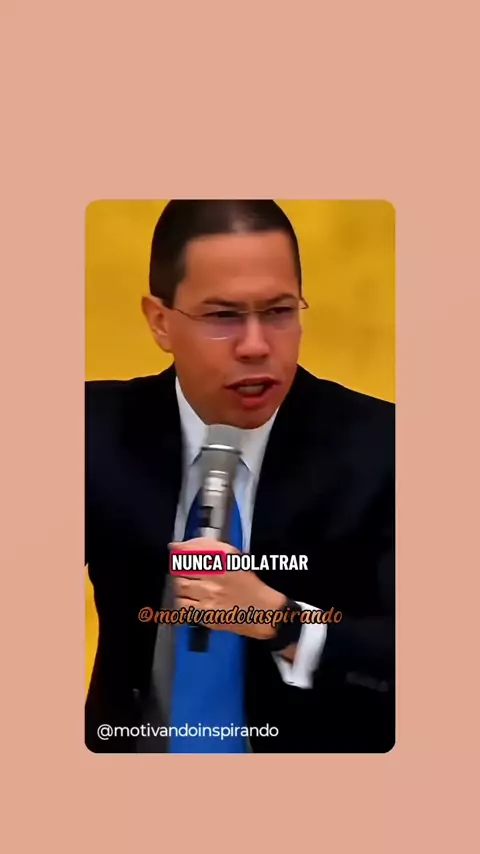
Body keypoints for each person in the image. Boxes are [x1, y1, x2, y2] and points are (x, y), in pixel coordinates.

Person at [85, 200, 395, 753]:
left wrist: (282, 622)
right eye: (223, 316)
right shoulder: (91, 432)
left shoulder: (388, 449)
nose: (256, 346)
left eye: (278, 311)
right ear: (159, 321)